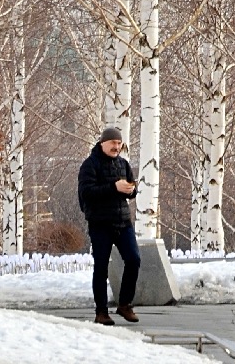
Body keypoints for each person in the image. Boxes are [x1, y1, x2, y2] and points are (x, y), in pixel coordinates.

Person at [78, 126, 140, 325]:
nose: (116, 146)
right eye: (113, 142)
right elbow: (86, 193)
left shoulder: (123, 164)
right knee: (101, 267)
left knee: (134, 259)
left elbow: (132, 188)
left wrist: (131, 190)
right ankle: (101, 312)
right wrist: (114, 187)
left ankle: (125, 304)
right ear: (102, 143)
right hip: (100, 223)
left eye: (119, 143)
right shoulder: (89, 165)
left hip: (123, 221)